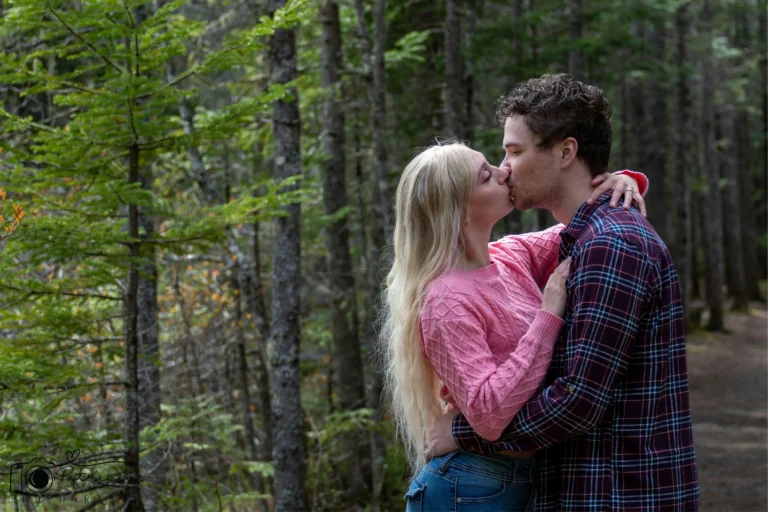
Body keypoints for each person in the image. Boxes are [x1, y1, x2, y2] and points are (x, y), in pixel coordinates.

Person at [424, 74, 700, 511]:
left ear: (566, 152)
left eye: (514, 150)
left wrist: (460, 433)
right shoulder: (582, 240)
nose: (506, 166)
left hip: (617, 493)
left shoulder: (611, 245)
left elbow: (577, 401)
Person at [382, 136, 648, 510]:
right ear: (458, 209)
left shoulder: (509, 256)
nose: (504, 171)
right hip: (467, 486)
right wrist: (548, 315)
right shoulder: (444, 300)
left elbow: (589, 228)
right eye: (485, 176)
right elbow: (489, 413)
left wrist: (622, 181)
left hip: (515, 481)